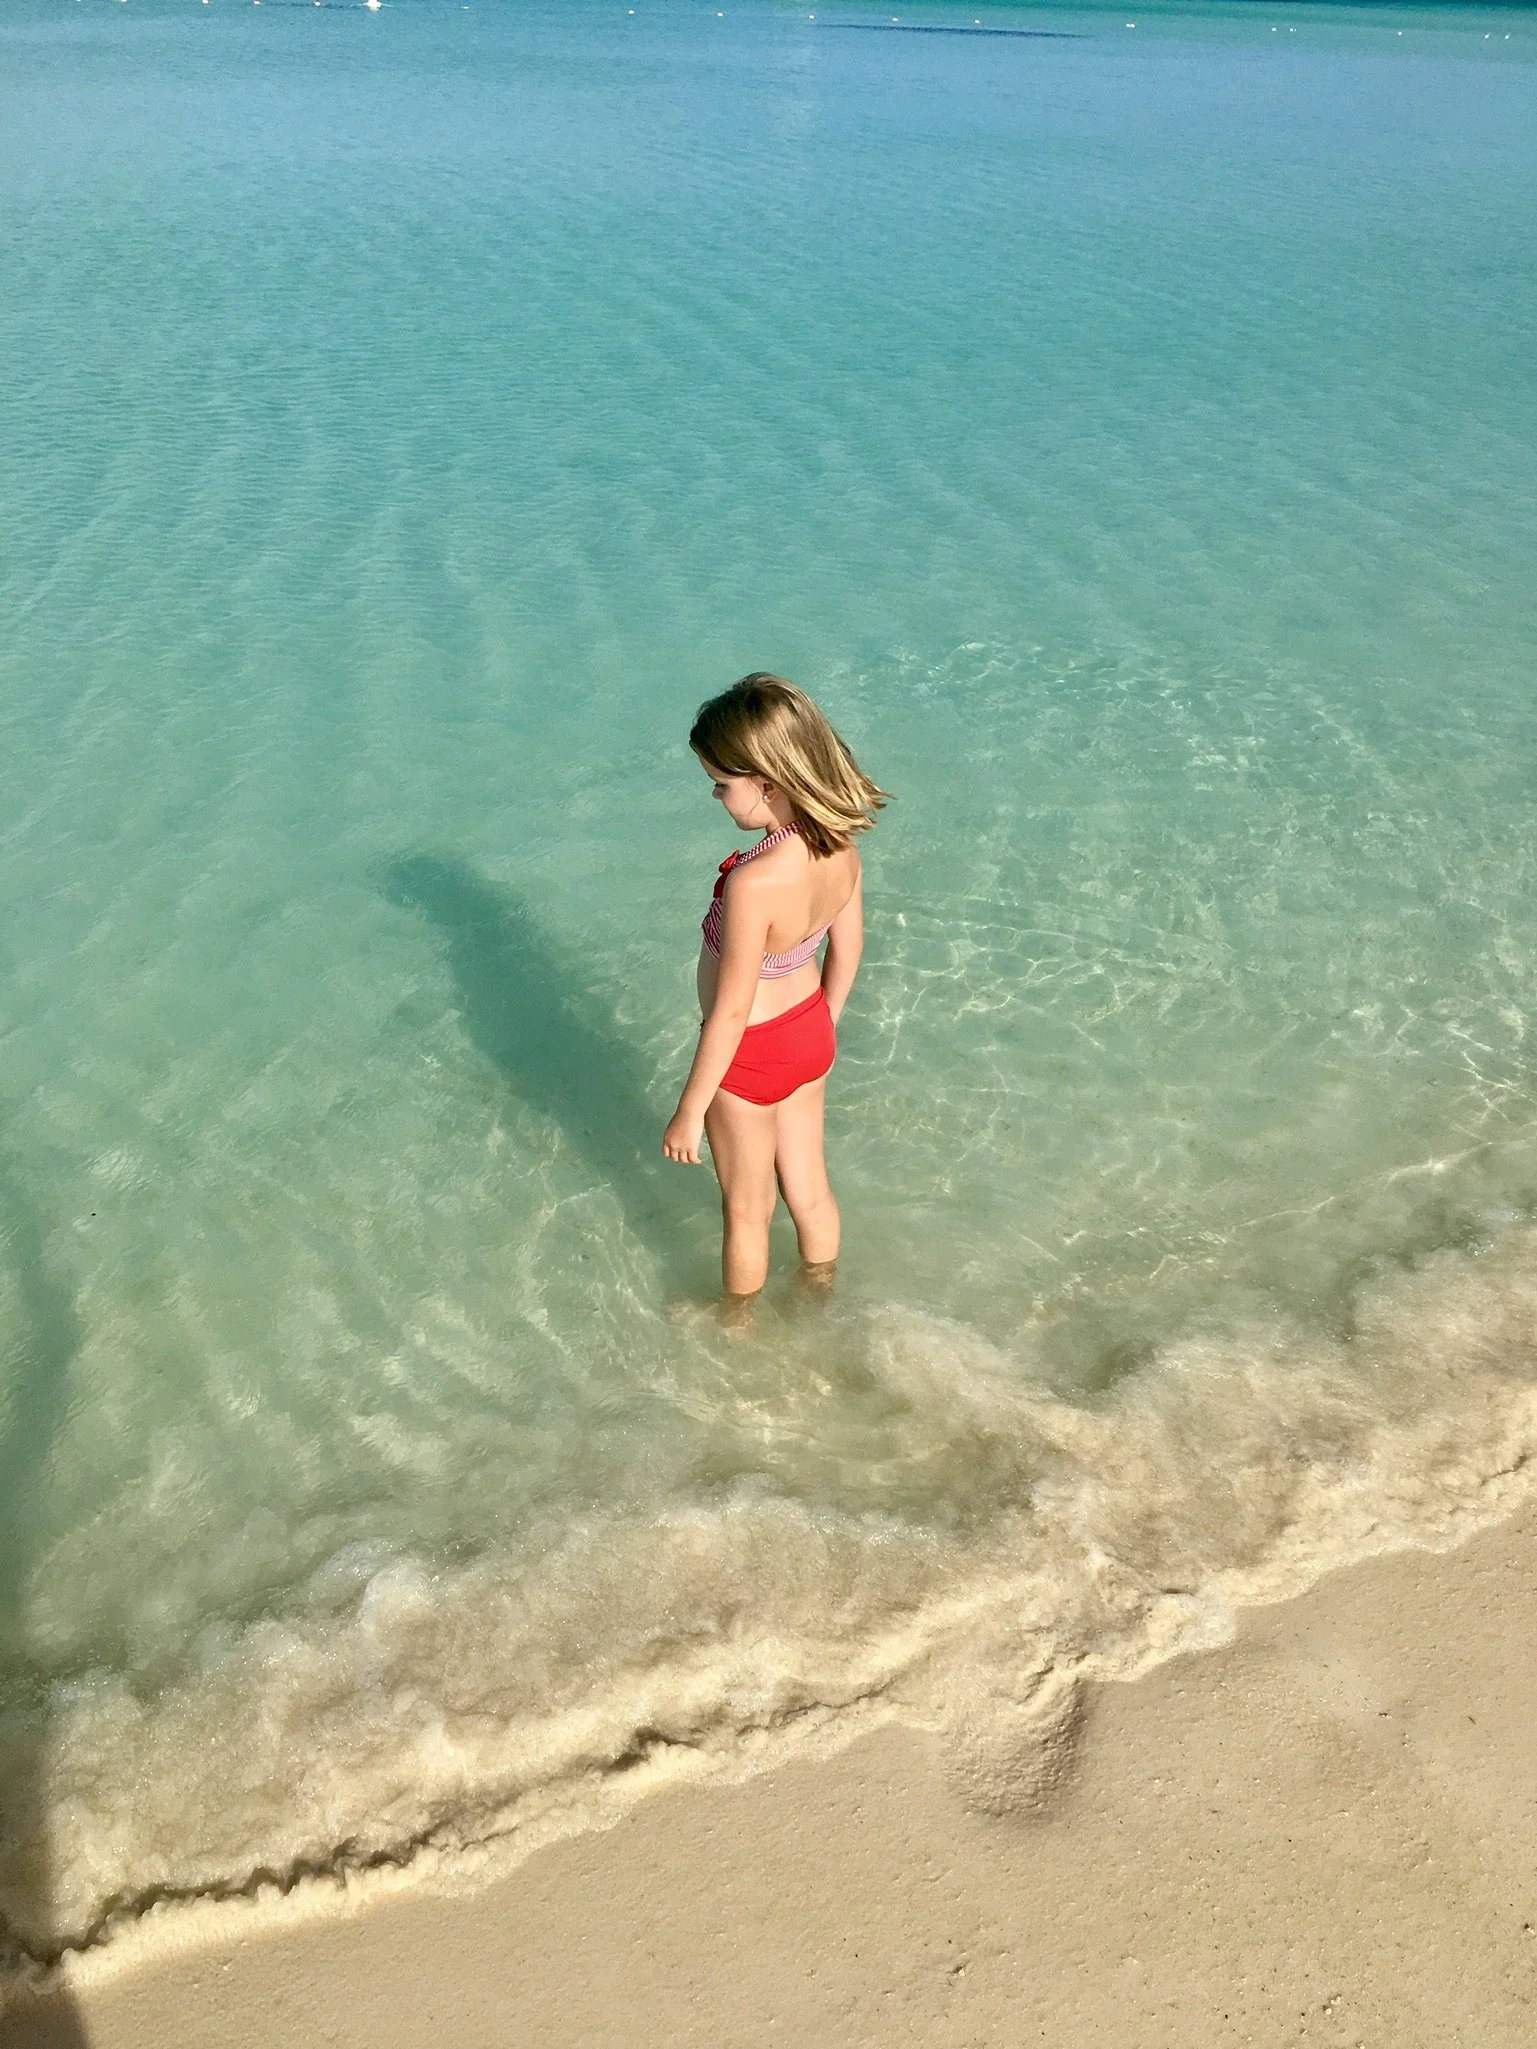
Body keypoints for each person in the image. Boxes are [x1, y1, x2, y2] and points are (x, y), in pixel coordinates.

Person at [663, 673, 889, 1304]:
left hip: (751, 1055)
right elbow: (849, 948)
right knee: (809, 1190)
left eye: (721, 783)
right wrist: (823, 1028)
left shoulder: (754, 883)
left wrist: (689, 1110)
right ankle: (820, 1296)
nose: (715, 794)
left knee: (748, 1212)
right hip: (810, 1030)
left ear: (767, 783)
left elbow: (732, 1010)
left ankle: (737, 1333)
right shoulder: (840, 846)